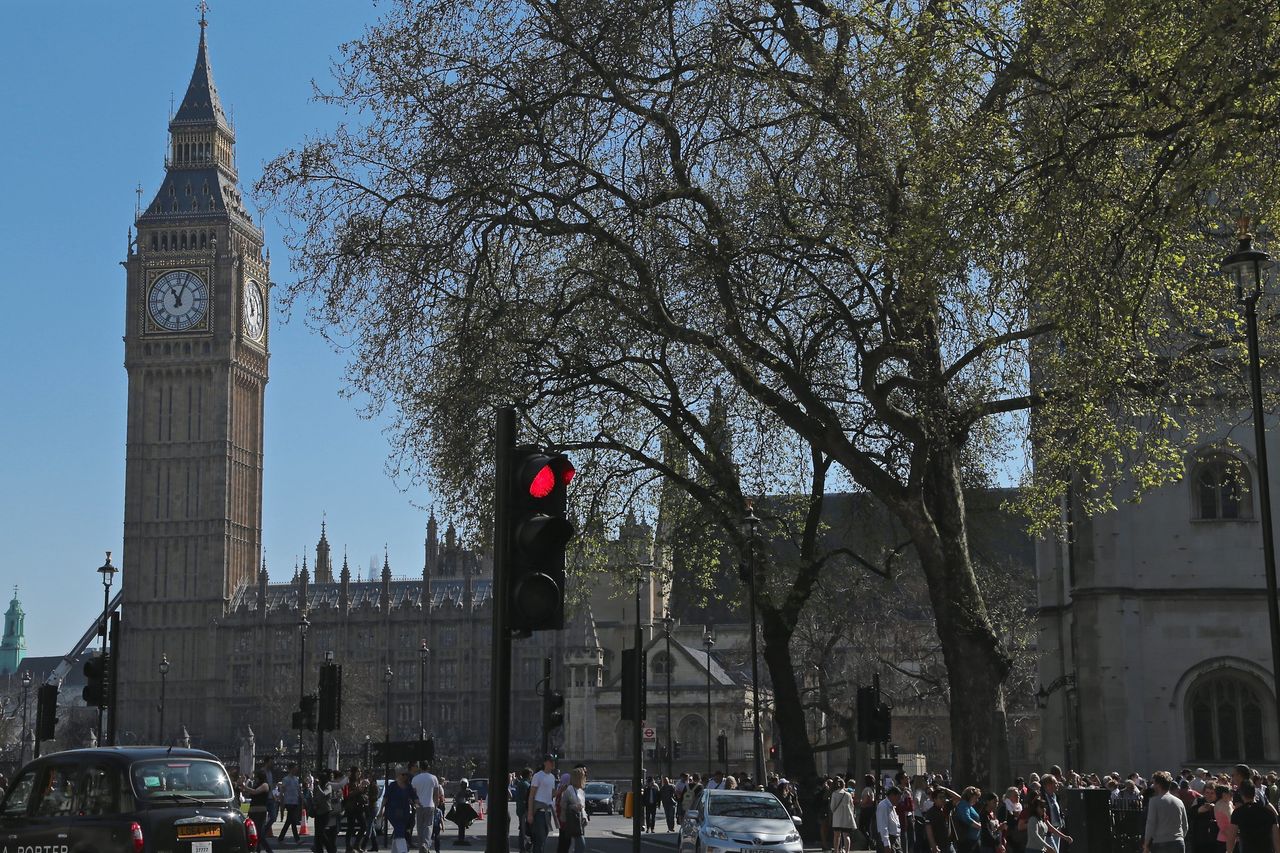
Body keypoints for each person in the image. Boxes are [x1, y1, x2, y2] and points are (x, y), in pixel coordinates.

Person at [1142, 772, 1189, 853]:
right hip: (1178, 842)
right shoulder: (1179, 802)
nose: (1153, 785)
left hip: (1160, 843)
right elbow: (1185, 825)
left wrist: (1146, 844)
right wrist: (1180, 838)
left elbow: (1151, 824)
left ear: (1158, 785)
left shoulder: (1154, 801)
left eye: (1154, 783)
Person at [1227, 781, 1279, 853]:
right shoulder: (1269, 813)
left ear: (1242, 795)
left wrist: (1229, 851)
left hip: (1247, 849)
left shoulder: (1238, 813)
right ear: (1255, 794)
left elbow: (1231, 836)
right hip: (1266, 849)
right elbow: (1276, 836)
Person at [380, 769, 417, 853]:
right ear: (398, 775)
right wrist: (381, 809)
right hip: (393, 812)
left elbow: (415, 798)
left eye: (406, 775)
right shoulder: (393, 785)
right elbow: (385, 798)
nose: (404, 776)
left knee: (399, 830)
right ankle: (402, 850)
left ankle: (395, 851)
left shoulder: (408, 786)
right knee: (399, 829)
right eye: (402, 774)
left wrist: (418, 806)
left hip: (405, 812)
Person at [528, 757, 558, 853]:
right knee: (539, 840)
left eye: (554, 761)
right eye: (551, 761)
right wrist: (530, 813)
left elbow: (551, 793)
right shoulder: (538, 776)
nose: (553, 763)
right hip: (539, 811)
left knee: (544, 839)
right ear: (545, 763)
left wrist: (561, 790)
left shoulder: (552, 777)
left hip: (548, 812)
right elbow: (531, 795)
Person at [241, 770, 276, 853]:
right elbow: (247, 792)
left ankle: (269, 851)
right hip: (253, 812)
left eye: (256, 777)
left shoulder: (265, 785)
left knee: (260, 835)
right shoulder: (255, 785)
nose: (255, 779)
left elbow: (255, 792)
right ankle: (257, 850)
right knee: (253, 834)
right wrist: (245, 782)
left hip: (260, 813)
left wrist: (245, 786)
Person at [411, 764, 441, 853]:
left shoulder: (415, 779)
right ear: (428, 768)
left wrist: (414, 804)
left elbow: (413, 793)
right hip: (430, 804)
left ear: (420, 768)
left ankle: (422, 847)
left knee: (420, 827)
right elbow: (436, 793)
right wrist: (436, 805)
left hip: (419, 805)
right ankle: (425, 844)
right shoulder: (433, 778)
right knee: (428, 826)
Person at [558, 768, 588, 853]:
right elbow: (562, 804)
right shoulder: (569, 790)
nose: (585, 778)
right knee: (580, 845)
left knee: (574, 846)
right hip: (572, 821)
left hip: (580, 821)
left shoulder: (581, 791)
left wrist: (585, 817)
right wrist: (573, 806)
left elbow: (583, 807)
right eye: (583, 776)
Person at [830, 776, 857, 853]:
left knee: (836, 836)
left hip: (837, 817)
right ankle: (847, 851)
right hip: (847, 817)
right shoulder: (848, 794)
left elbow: (832, 807)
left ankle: (836, 850)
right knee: (846, 835)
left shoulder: (834, 794)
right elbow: (852, 806)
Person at [280, 765, 304, 844]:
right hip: (288, 801)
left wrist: (301, 797)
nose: (295, 770)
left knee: (289, 820)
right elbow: (282, 790)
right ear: (290, 769)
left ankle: (281, 837)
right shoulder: (285, 779)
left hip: (295, 801)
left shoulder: (296, 779)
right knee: (293, 820)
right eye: (294, 769)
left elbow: (298, 789)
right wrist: (282, 801)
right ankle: (297, 839)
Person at [877, 787, 904, 853]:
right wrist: (886, 844)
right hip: (888, 839)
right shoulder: (883, 806)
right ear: (892, 795)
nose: (899, 800)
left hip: (896, 839)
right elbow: (883, 826)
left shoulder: (892, 806)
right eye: (898, 798)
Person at [515, 769, 533, 852]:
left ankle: (521, 847)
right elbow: (529, 797)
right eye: (531, 775)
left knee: (522, 828)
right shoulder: (526, 784)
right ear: (528, 775)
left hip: (519, 808)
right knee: (524, 829)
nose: (531, 776)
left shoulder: (520, 783)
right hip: (524, 809)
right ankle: (523, 848)